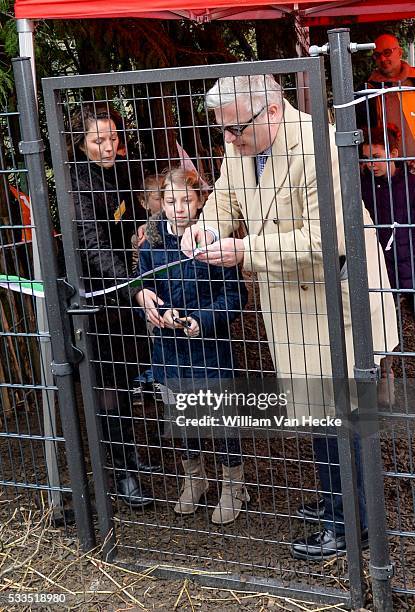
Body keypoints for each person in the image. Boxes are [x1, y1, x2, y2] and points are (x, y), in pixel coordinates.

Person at [180, 74, 398, 559]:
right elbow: (225, 197)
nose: (228, 141)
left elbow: (327, 243)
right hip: (294, 311)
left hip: (336, 309)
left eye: (235, 130)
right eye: (222, 131)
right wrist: (206, 229)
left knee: (345, 417)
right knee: (319, 416)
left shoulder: (318, 149)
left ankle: (351, 524)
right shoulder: (241, 143)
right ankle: (336, 503)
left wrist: (244, 250)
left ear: (272, 111)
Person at [136, 167, 249, 525]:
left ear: (201, 201)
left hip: (210, 347)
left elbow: (236, 295)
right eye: (171, 200)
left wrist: (202, 319)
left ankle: (234, 484)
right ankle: (194, 478)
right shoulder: (153, 243)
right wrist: (149, 301)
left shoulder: (214, 240)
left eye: (187, 200)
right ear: (161, 202)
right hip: (169, 349)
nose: (179, 208)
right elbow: (142, 282)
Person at [69, 103, 156, 509]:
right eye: (98, 140)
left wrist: (141, 226)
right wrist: (132, 284)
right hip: (97, 296)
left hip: (127, 292)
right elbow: (91, 242)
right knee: (106, 385)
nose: (108, 146)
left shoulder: (122, 171)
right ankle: (122, 471)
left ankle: (134, 455)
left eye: (112, 138)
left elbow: (132, 213)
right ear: (81, 143)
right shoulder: (75, 182)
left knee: (128, 376)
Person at [361, 124, 415, 311]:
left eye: (376, 158)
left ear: (393, 153)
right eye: (366, 159)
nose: (370, 164)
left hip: (410, 265)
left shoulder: (411, 185)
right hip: (381, 270)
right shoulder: (362, 187)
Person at [356, 33, 415, 165]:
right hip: (388, 169)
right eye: (377, 55)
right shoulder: (367, 90)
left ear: (400, 52)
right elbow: (361, 130)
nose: (382, 59)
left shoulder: (413, 81)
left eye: (387, 52)